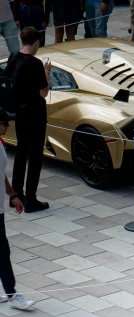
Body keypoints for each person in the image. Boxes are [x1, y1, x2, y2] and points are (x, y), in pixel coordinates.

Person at [11, 26, 51, 213]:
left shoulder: (13, 58)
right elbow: (43, 92)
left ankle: (16, 195)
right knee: (35, 156)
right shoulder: (34, 64)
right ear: (36, 42)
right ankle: (31, 199)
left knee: (20, 153)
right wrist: (46, 73)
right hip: (35, 115)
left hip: (19, 114)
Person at [0, 109, 34, 310]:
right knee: (2, 251)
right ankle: (12, 295)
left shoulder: (1, 145)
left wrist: (12, 195)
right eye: (5, 122)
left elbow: (1, 174)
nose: (9, 126)